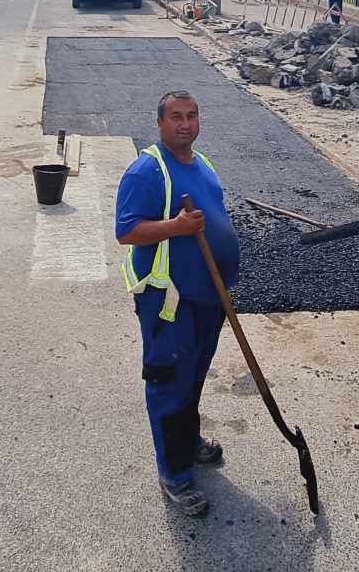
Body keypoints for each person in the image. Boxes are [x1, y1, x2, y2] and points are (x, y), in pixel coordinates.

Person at [115, 91, 240, 517]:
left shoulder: (202, 163)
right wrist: (177, 227)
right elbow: (127, 231)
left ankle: (188, 444)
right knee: (170, 384)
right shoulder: (147, 170)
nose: (185, 124)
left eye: (191, 116)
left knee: (194, 378)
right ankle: (174, 473)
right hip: (170, 303)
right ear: (161, 123)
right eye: (175, 117)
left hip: (210, 297)